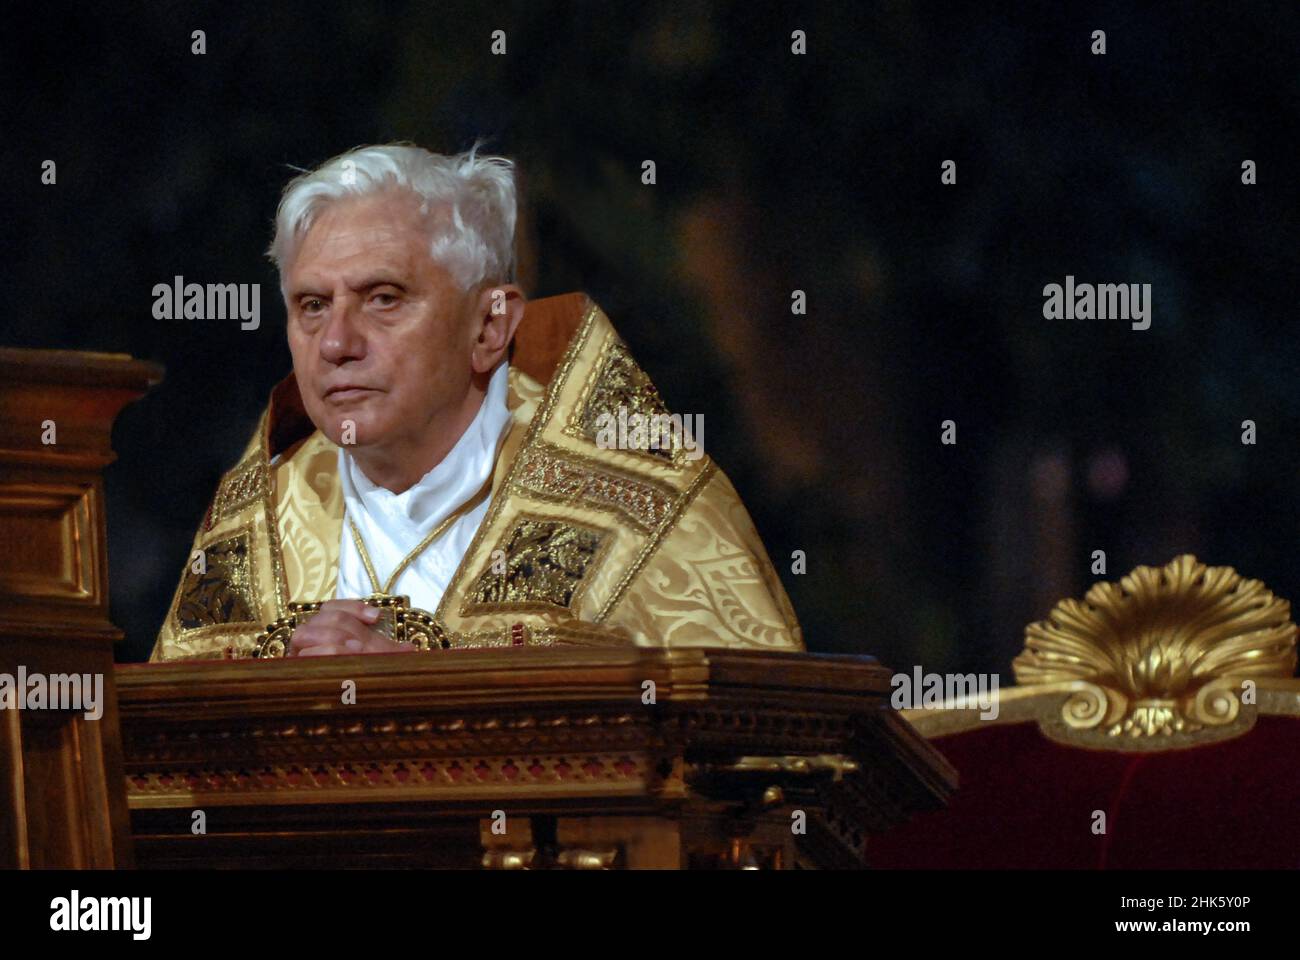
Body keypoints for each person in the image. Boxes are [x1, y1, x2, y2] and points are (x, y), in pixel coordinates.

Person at [149, 143, 803, 660]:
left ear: (489, 327)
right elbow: (164, 778)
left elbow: (757, 763)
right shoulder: (250, 523)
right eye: (312, 306)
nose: (337, 342)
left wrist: (425, 690)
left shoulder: (643, 508)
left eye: (384, 299)